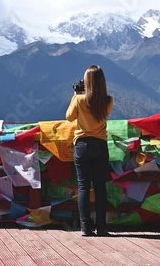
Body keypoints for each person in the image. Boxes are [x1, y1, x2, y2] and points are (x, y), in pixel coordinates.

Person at [66, 65, 114, 236]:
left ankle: (85, 227)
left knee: (83, 187)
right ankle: (101, 227)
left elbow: (69, 117)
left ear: (87, 82)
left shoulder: (79, 100)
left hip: (82, 145)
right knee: (100, 188)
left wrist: (76, 95)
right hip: (100, 145)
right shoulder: (109, 100)